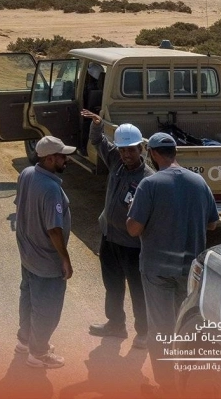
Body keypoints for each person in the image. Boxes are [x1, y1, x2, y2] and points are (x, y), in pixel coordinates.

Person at [126, 132, 219, 396]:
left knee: (161, 328)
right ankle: (187, 380)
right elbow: (212, 223)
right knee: (187, 326)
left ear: (153, 154)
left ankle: (167, 385)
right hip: (190, 270)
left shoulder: (149, 184)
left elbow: (133, 229)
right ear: (174, 152)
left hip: (157, 269)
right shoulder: (198, 182)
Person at [81, 111, 151, 349]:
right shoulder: (116, 162)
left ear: (141, 148)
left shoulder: (149, 179)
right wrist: (97, 126)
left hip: (133, 245)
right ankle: (116, 324)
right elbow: (98, 141)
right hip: (109, 238)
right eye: (122, 150)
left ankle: (144, 332)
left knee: (137, 290)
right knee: (112, 285)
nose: (126, 154)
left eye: (131, 149)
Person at [14, 135, 74, 369]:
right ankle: (38, 354)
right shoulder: (50, 189)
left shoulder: (27, 174)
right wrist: (65, 259)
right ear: (50, 159)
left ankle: (24, 341)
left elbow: (20, 206)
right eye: (62, 156)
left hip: (28, 254)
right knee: (47, 308)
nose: (66, 159)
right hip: (46, 261)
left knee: (28, 298)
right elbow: (54, 229)